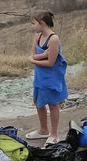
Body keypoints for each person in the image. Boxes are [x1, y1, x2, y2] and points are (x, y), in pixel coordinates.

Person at [29, 11, 68, 145]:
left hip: (51, 77)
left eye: (33, 24)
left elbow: (50, 62)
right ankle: (43, 130)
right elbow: (33, 55)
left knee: (52, 104)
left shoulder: (53, 39)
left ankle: (54, 134)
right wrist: (42, 55)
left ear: (42, 23)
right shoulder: (37, 36)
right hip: (39, 76)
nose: (32, 27)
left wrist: (34, 60)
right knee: (39, 102)